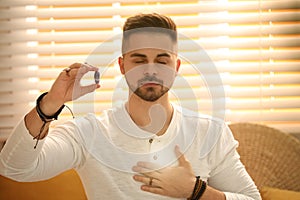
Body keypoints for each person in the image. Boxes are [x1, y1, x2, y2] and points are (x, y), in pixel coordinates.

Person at [0, 13, 261, 200]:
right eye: (139, 60)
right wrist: (50, 104)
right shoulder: (88, 132)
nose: (151, 70)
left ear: (176, 67)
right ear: (123, 66)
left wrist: (196, 192)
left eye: (162, 60)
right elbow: (14, 168)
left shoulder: (211, 133)